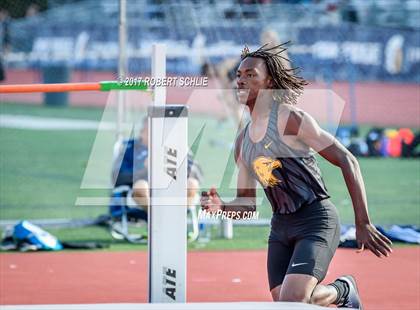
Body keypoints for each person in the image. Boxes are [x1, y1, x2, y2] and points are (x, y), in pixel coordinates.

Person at [200, 44, 392, 308]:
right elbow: (247, 205)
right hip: (281, 227)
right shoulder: (242, 141)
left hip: (315, 219)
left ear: (269, 81)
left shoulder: (289, 119)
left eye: (251, 74)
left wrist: (363, 222)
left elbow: (347, 159)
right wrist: (221, 206)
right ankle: (342, 291)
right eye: (239, 75)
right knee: (285, 301)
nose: (241, 80)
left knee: (294, 299)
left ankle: (344, 289)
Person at [111, 117, 202, 220]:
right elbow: (117, 176)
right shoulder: (130, 148)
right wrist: (144, 169)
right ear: (142, 132)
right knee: (141, 186)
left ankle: (179, 219)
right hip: (144, 194)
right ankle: (160, 219)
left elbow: (197, 172)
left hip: (173, 189)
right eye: (151, 132)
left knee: (191, 184)